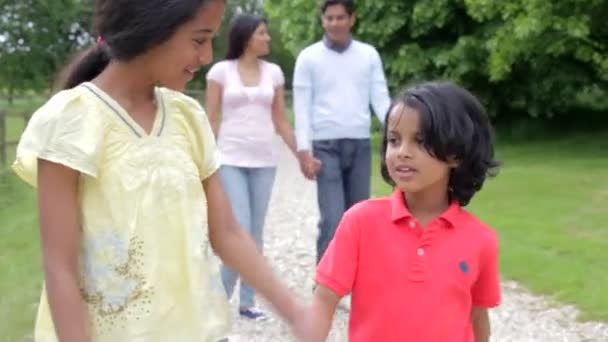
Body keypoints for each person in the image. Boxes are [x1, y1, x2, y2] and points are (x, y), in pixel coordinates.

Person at [12, 1, 308, 341]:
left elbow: (227, 233)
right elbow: (59, 267)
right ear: (151, 30)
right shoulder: (70, 121)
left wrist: (296, 312)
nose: (208, 56)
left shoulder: (187, 118)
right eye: (199, 40)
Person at [305, 81, 502, 341]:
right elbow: (324, 298)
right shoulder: (361, 222)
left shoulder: (481, 240)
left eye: (419, 141)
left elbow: (477, 316)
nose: (402, 153)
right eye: (394, 141)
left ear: (455, 155)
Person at [205, 14, 319, 320]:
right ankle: (214, 303)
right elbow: (211, 118)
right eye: (263, 33)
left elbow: (281, 121)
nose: (268, 38)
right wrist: (200, 160)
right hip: (229, 159)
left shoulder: (275, 74)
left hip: (264, 162)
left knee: (255, 233)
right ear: (246, 37)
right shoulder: (220, 71)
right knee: (239, 229)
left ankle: (247, 303)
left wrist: (302, 156)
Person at [292, 0, 391, 265]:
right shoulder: (308, 57)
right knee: (333, 217)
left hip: (358, 143)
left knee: (359, 216)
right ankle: (324, 283)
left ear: (351, 19)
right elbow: (301, 107)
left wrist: (396, 130)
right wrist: (303, 151)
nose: (334, 23)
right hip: (325, 146)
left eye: (340, 17)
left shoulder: (368, 55)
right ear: (323, 21)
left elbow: (380, 98)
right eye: (329, 18)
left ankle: (358, 279)